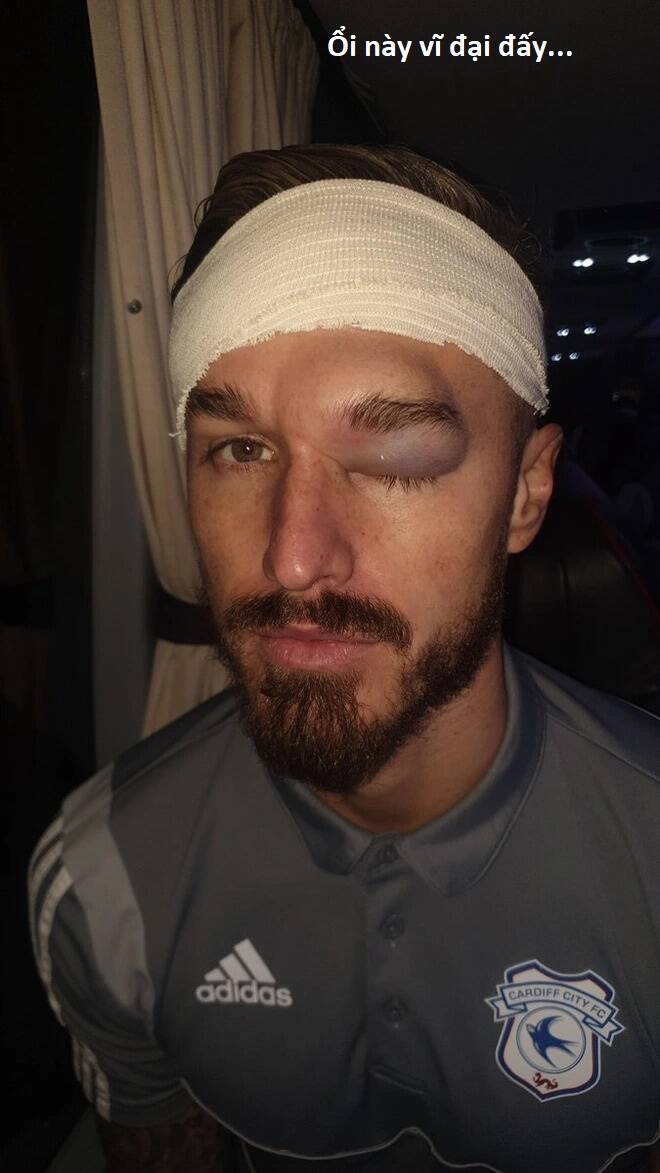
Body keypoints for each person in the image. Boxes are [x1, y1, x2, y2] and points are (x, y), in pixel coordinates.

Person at [29, 144, 660, 1173]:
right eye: (240, 450)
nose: (292, 555)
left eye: (395, 454)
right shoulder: (108, 879)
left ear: (527, 493)